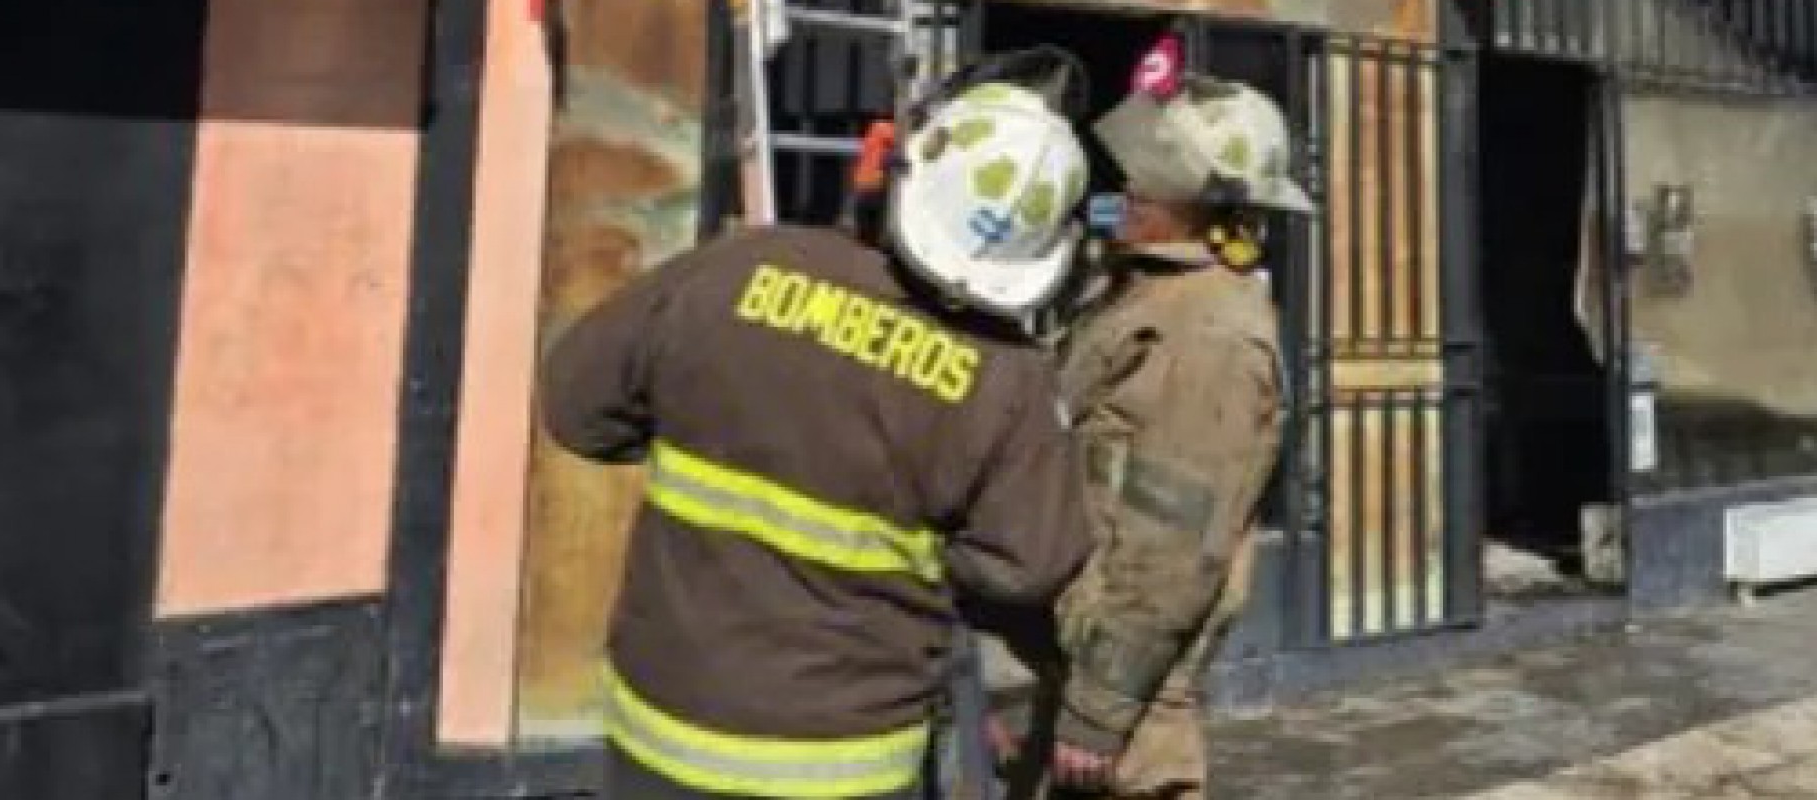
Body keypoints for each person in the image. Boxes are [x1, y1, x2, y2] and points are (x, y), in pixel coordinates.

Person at [542, 62, 1098, 800]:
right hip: (850, 761)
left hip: (665, 729)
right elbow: (1033, 564)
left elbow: (576, 405)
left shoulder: (739, 267)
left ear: (897, 166)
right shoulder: (1011, 381)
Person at [996, 75, 1311, 799]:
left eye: (1151, 179)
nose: (1129, 189)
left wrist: (1100, 713)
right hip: (1080, 654)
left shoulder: (1213, 335)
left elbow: (1174, 543)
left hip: (1133, 700)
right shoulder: (1143, 289)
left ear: (1206, 203)